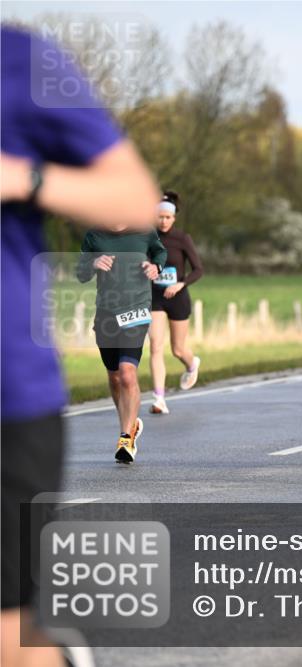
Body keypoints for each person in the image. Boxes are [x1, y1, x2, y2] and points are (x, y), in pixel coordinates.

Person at [2, 24, 160, 667]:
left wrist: (22, 178)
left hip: (7, 395)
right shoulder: (94, 247)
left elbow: (136, 197)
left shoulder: (20, 59)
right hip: (103, 315)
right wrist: (91, 268)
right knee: (119, 375)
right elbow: (77, 270)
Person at [77, 221, 166, 463]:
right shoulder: (94, 235)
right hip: (106, 313)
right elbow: (81, 273)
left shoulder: (144, 230)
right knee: (115, 376)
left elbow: (160, 252)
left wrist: (156, 266)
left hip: (137, 309)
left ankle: (125, 437)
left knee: (127, 373)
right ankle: (130, 424)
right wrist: (93, 263)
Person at [148, 191, 204, 414]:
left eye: (167, 217)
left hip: (178, 298)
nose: (163, 221)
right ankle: (159, 399)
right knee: (155, 346)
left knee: (178, 350)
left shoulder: (182, 239)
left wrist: (181, 284)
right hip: (155, 298)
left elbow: (198, 270)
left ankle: (191, 364)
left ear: (174, 218)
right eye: (160, 217)